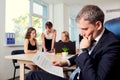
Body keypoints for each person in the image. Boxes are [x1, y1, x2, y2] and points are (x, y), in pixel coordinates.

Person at [25, 5, 120, 80]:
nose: (81, 33)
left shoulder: (112, 45)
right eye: (80, 29)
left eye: (85, 29)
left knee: (32, 76)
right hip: (74, 77)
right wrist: (66, 62)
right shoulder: (93, 37)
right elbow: (88, 55)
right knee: (33, 74)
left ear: (98, 25)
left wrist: (83, 50)